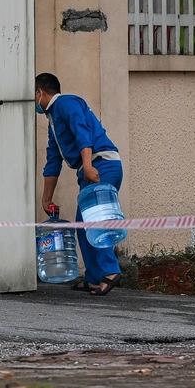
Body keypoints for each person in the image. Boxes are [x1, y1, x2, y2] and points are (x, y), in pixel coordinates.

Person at [36, 73, 123, 297]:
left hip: (101, 164)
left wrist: (87, 166)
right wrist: (46, 198)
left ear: (39, 92)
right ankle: (93, 279)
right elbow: (53, 161)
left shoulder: (66, 103)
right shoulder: (53, 121)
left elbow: (82, 132)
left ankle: (111, 271)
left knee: (94, 222)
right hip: (91, 167)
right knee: (82, 225)